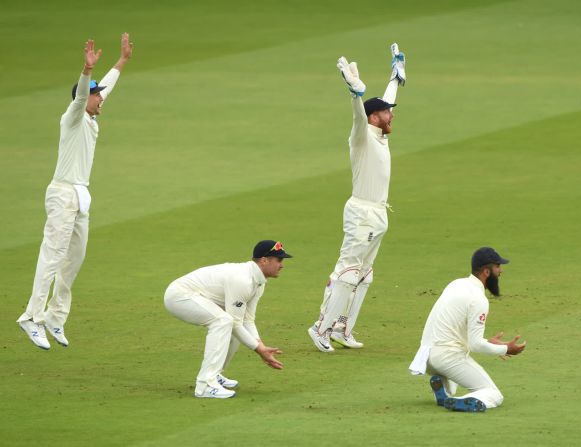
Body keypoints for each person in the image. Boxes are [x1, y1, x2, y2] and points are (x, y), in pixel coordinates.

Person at [17, 34, 134, 350]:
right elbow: (84, 96)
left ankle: (55, 318)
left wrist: (122, 60)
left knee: (73, 261)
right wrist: (86, 70)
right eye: (96, 96)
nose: (100, 99)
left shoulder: (93, 115)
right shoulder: (72, 117)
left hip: (80, 196)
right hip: (62, 193)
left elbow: (105, 86)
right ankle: (32, 317)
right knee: (52, 256)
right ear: (84, 99)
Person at [307, 43, 406, 352]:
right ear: (373, 117)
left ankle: (343, 329)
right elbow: (357, 117)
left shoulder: (381, 132)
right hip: (361, 213)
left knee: (364, 276)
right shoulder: (362, 137)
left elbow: (386, 100)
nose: (391, 115)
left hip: (378, 213)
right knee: (348, 273)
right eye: (386, 113)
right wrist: (356, 94)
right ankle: (320, 329)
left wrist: (395, 75)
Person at [164, 240, 289, 399]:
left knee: (231, 325)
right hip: (180, 296)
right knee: (224, 321)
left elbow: (247, 319)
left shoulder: (258, 282)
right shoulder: (242, 280)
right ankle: (205, 385)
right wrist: (259, 350)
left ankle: (214, 375)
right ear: (264, 260)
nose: (282, 265)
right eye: (279, 260)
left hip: (197, 296)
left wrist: (260, 345)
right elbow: (236, 322)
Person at [409, 247, 526, 412]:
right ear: (486, 271)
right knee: (493, 394)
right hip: (446, 357)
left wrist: (488, 342)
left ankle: (444, 390)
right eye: (498, 267)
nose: (501, 271)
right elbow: (475, 345)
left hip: (426, 356)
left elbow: (462, 333)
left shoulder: (456, 284)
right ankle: (461, 401)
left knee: (453, 378)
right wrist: (505, 349)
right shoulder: (479, 299)